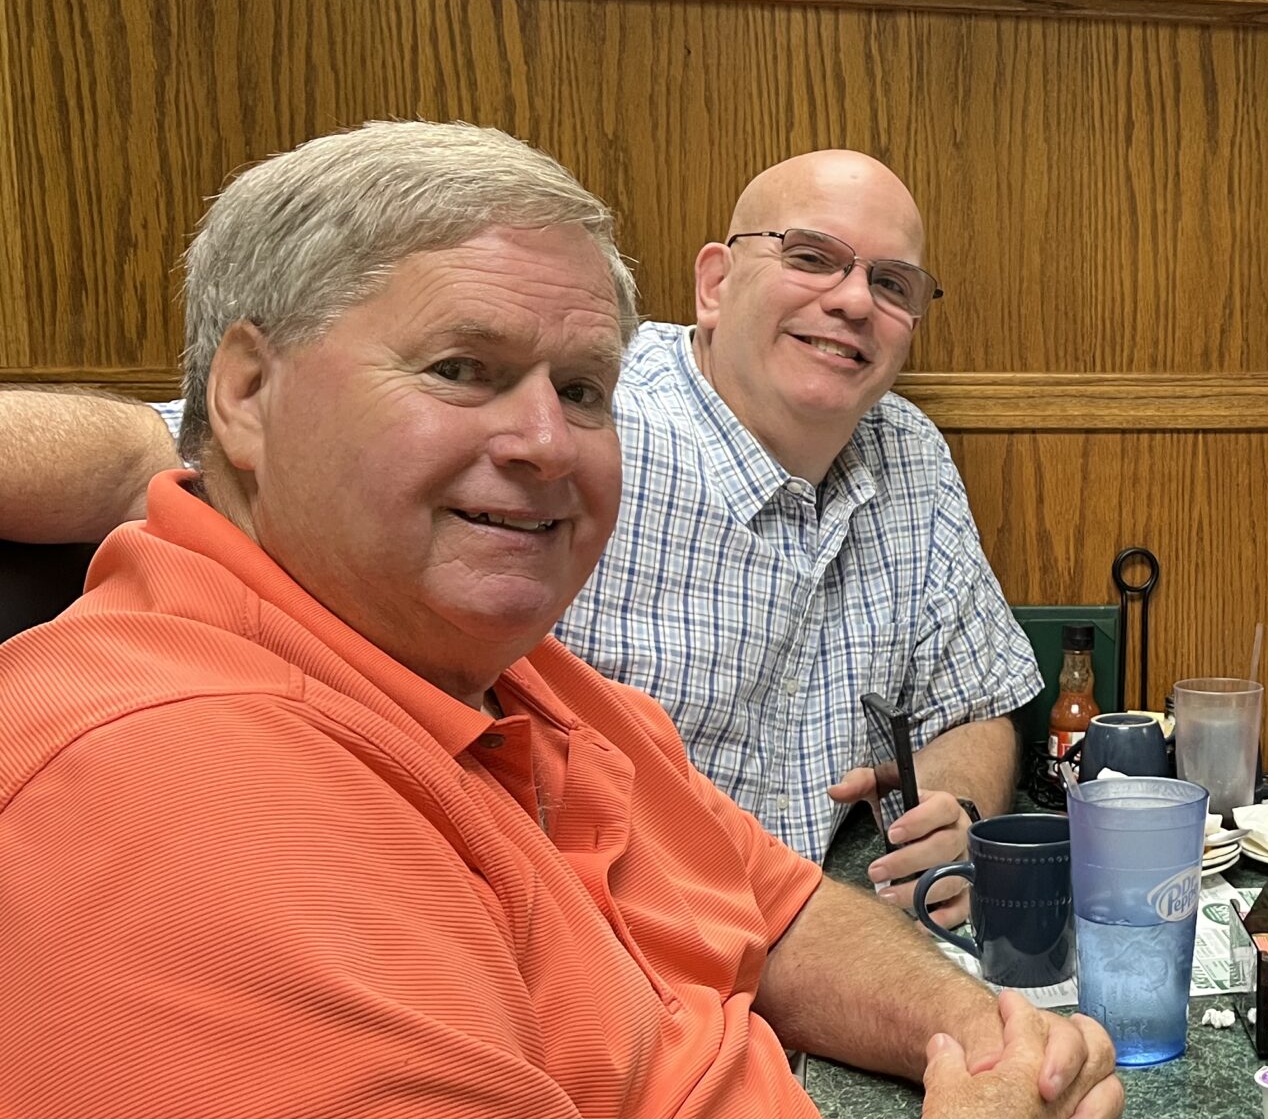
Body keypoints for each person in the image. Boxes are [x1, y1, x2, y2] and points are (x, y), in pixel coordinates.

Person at [0, 122, 1193, 1119]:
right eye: (463, 371)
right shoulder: (170, 776)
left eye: (580, 390)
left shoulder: (481, 656)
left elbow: (770, 900)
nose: (543, 446)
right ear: (247, 394)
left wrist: (977, 1037)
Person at [0, 148, 1039, 911]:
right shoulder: (578, 410)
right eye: (813, 257)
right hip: (566, 928)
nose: (852, 301)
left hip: (790, 927)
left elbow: (976, 695)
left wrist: (947, 811)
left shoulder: (905, 450)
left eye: (891, 285)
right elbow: (163, 450)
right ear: (716, 283)